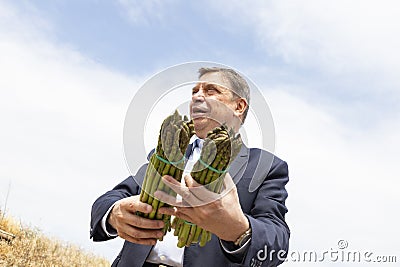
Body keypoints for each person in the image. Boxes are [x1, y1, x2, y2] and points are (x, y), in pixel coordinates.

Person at [90, 67, 290, 267]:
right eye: (194, 91)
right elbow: (111, 198)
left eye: (211, 90)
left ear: (238, 106)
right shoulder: (166, 154)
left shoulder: (266, 167)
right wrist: (114, 214)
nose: (197, 96)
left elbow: (277, 241)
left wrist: (238, 228)